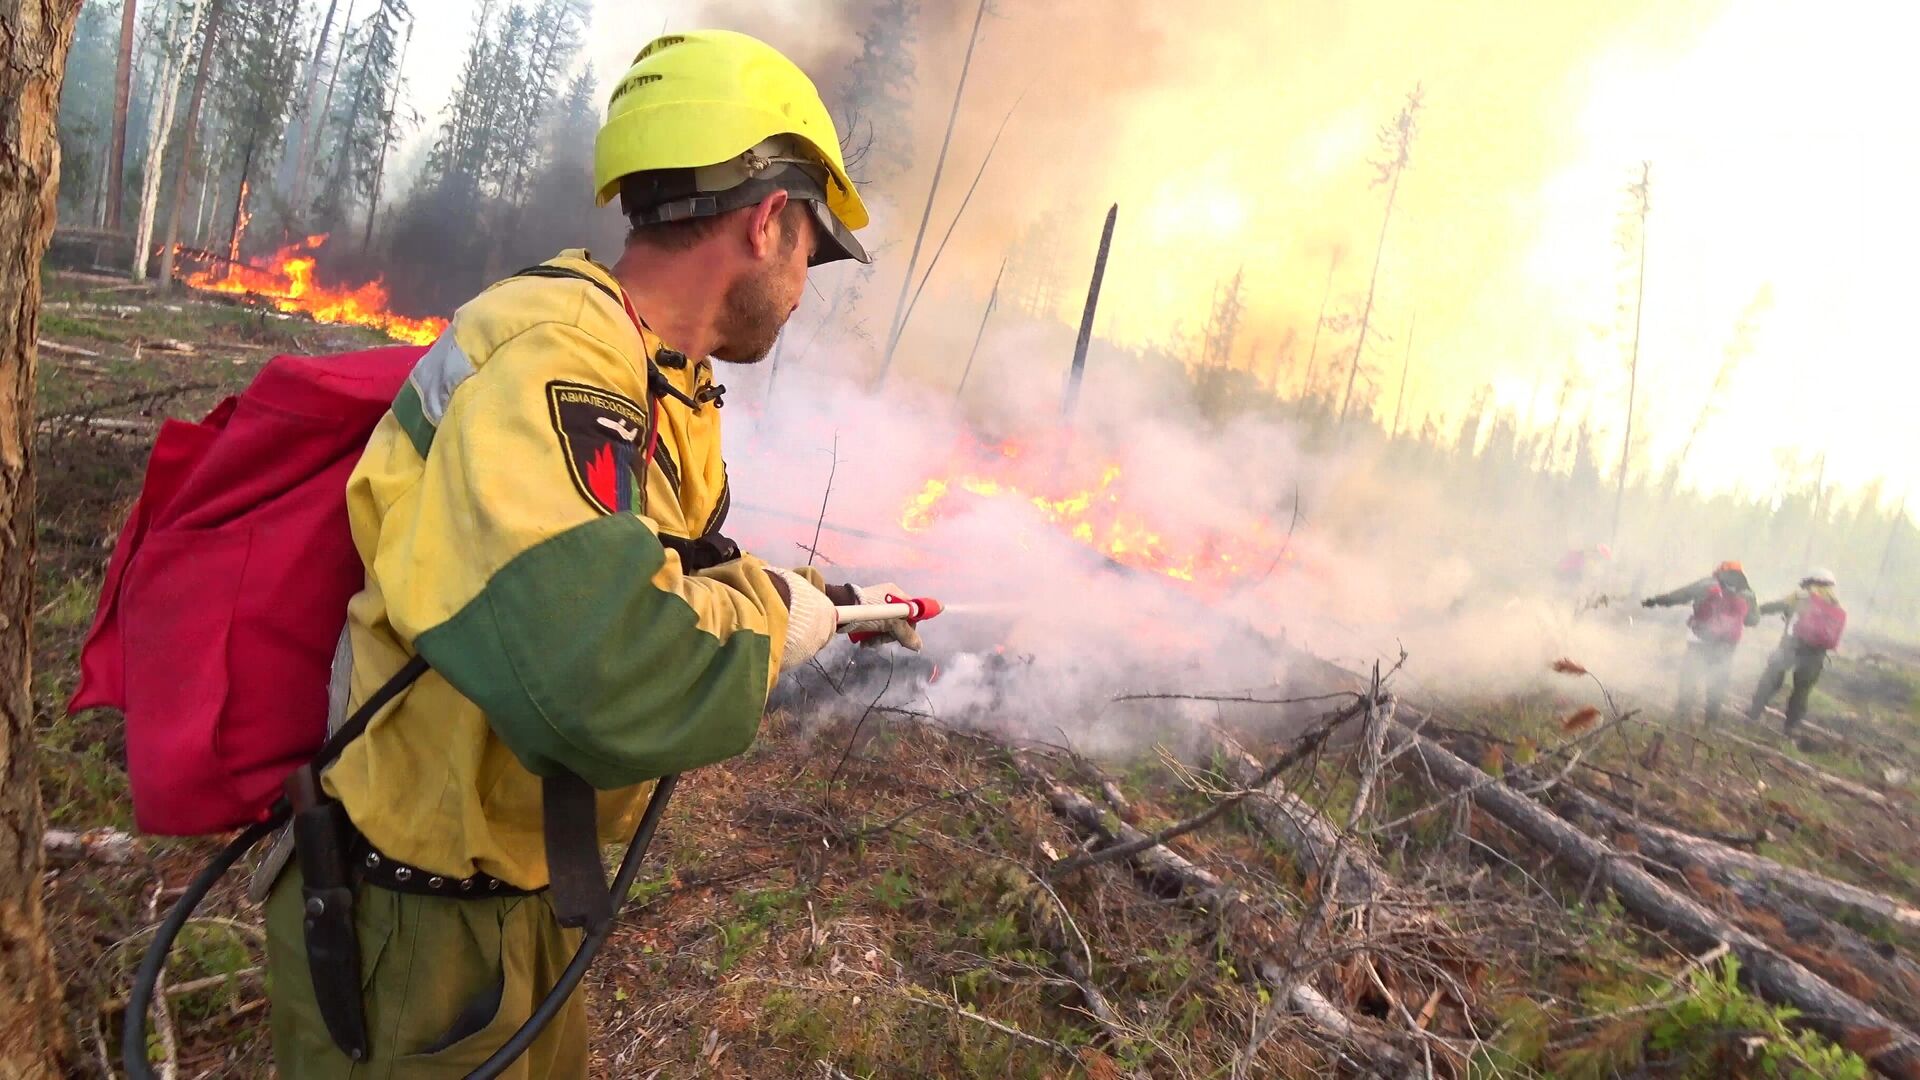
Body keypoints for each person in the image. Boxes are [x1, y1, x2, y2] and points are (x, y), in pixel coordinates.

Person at [262, 31, 921, 1077]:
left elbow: (630, 560)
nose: (805, 286)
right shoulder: (557, 364)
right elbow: (598, 668)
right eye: (811, 252)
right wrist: (767, 622)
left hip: (505, 908)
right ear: (766, 222)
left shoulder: (637, 370)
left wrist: (815, 604)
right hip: (415, 936)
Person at [1641, 561, 1758, 724]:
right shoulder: (1748, 593)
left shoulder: (1708, 583)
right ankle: (1711, 722)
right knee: (1718, 681)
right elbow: (1753, 620)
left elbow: (1680, 595)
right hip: (1727, 645)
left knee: (1690, 675)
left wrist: (1654, 601)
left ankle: (1682, 715)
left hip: (1701, 638)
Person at [1748, 568, 1848, 733]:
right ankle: (1790, 728)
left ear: (1812, 581)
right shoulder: (1836, 606)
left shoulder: (1803, 596)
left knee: (1772, 677)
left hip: (1792, 645)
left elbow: (1777, 606)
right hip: (1817, 653)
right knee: (1802, 691)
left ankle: (1754, 713)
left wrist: (1755, 611)